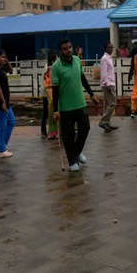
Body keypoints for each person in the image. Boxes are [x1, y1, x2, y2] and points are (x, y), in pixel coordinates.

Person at [51, 38, 98, 172]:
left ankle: (76, 152)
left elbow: (82, 79)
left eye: (70, 47)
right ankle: (72, 161)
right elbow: (55, 91)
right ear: (60, 51)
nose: (68, 50)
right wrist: (55, 110)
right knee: (68, 135)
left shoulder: (77, 60)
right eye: (65, 48)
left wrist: (91, 94)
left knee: (85, 128)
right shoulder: (56, 67)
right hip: (66, 108)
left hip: (80, 103)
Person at [0, 50, 15, 158]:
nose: (4, 59)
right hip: (0, 102)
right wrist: (3, 102)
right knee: (2, 125)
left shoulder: (1, 69)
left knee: (11, 121)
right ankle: (1, 149)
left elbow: (11, 69)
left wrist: (6, 60)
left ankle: (2, 145)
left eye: (5, 57)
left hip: (5, 101)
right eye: (2, 57)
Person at [98, 42, 118, 132]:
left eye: (112, 47)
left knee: (107, 105)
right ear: (106, 48)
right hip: (108, 85)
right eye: (110, 47)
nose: (111, 49)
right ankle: (103, 121)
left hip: (110, 84)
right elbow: (104, 73)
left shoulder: (109, 58)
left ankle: (107, 123)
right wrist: (108, 85)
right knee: (113, 104)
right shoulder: (104, 59)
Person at [42, 53, 59, 139]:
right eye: (57, 58)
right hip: (51, 94)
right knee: (53, 113)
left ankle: (52, 132)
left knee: (51, 113)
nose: (58, 59)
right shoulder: (51, 70)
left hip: (50, 94)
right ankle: (54, 132)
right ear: (53, 61)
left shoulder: (50, 69)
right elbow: (49, 84)